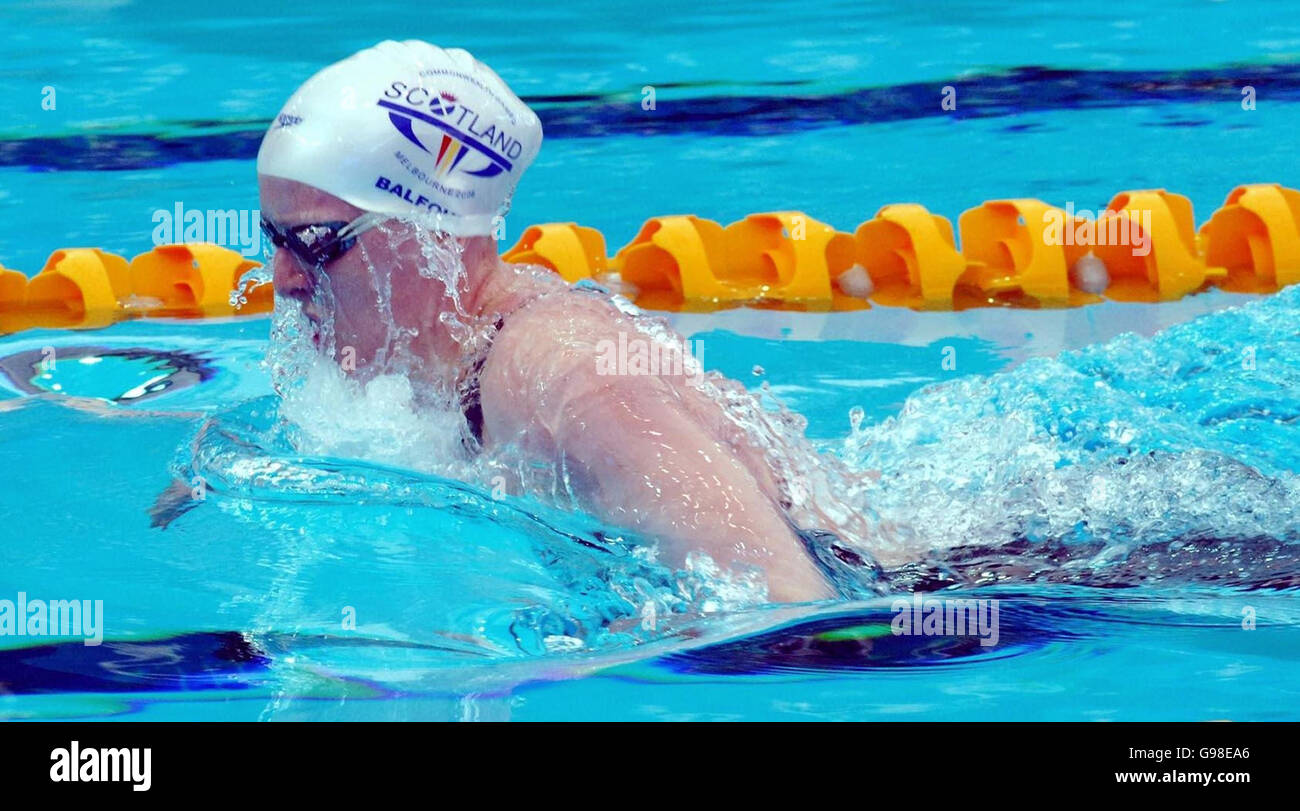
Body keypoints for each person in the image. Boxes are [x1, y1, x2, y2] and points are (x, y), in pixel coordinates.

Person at [256, 40, 863, 603]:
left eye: (314, 241)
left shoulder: (565, 373)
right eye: (273, 238)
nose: (283, 279)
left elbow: (781, 605)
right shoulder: (438, 366)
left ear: (429, 231)